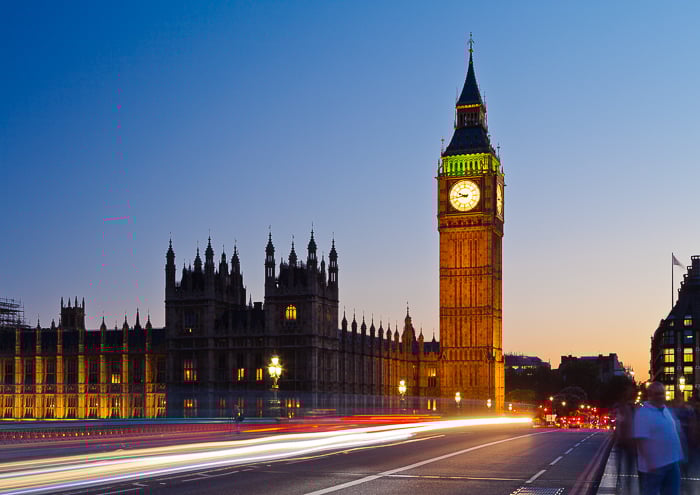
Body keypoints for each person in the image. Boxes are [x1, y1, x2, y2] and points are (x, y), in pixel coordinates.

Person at [634, 382, 684, 495]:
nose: (660, 396)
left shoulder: (665, 409)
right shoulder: (643, 413)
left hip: (672, 463)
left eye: (662, 393)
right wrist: (650, 463)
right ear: (649, 395)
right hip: (654, 466)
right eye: (657, 394)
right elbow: (640, 440)